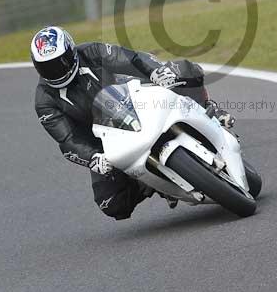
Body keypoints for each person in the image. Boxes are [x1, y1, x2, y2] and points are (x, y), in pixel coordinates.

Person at [31, 26, 233, 221]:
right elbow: (67, 140)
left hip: (134, 100)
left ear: (71, 52)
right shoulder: (45, 101)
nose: (56, 71)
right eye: (46, 67)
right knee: (110, 203)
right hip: (105, 140)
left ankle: (209, 109)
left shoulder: (91, 51)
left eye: (60, 62)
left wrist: (155, 71)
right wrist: (93, 158)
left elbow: (131, 58)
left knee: (183, 69)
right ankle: (148, 182)